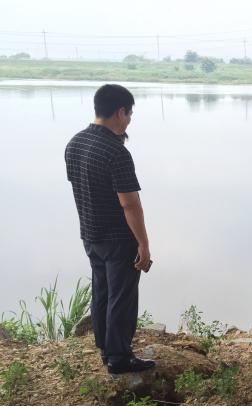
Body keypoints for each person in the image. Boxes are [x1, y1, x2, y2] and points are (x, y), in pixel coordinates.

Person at [65, 84, 155, 374]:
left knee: (102, 291)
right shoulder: (116, 153)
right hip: (119, 240)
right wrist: (143, 243)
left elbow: (79, 186)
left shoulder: (75, 143)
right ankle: (119, 358)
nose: (129, 120)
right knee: (122, 297)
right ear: (120, 112)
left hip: (91, 235)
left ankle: (105, 346)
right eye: (129, 114)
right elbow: (130, 205)